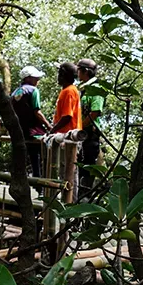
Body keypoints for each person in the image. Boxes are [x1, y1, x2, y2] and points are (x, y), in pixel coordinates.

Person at [11, 66, 51, 177]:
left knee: (30, 158)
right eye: (35, 78)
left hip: (20, 132)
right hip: (35, 132)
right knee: (47, 154)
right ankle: (43, 183)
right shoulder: (33, 91)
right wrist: (49, 126)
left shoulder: (15, 93)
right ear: (28, 78)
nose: (37, 80)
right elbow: (37, 112)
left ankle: (36, 182)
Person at [77, 59, 105, 189]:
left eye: (79, 70)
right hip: (81, 134)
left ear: (85, 71)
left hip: (89, 134)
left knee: (87, 168)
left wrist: (80, 127)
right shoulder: (83, 88)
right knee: (78, 166)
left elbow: (95, 112)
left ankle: (84, 197)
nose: (77, 73)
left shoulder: (96, 88)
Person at [51, 62, 82, 134]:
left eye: (59, 73)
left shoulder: (69, 91)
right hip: (65, 134)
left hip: (68, 135)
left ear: (63, 75)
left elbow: (67, 116)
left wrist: (53, 130)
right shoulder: (66, 90)